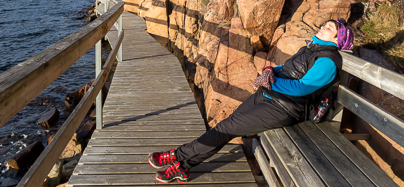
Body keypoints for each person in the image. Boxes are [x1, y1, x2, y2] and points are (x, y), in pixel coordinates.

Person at [148, 19, 354, 184]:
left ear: (338, 40)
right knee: (224, 128)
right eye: (325, 24)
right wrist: (270, 70)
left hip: (285, 108)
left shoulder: (327, 61)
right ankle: (182, 168)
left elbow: (302, 88)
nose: (323, 27)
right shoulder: (312, 48)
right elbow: (287, 68)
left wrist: (270, 83)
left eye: (330, 28)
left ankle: (175, 156)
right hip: (270, 96)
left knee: (226, 128)